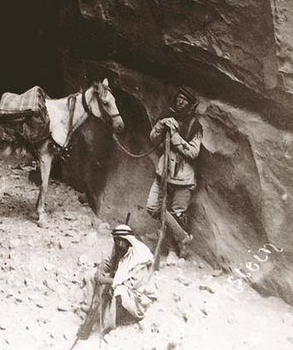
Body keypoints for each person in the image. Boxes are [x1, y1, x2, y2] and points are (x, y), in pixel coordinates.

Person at [146, 85, 202, 256]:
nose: (180, 101)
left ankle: (174, 250)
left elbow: (193, 152)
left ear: (190, 104)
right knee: (153, 207)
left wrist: (176, 136)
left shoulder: (195, 125)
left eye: (184, 100)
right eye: (179, 98)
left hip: (182, 179)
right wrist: (161, 126)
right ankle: (183, 237)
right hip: (163, 174)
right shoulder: (167, 117)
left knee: (177, 215)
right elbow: (154, 139)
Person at [79, 224, 155, 338]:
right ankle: (89, 307)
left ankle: (109, 323)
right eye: (117, 241)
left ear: (129, 241)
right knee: (91, 275)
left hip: (136, 296)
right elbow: (110, 263)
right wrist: (101, 268)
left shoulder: (140, 258)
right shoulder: (119, 249)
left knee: (119, 291)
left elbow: (129, 285)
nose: (119, 244)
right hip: (117, 282)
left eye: (122, 241)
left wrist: (107, 280)